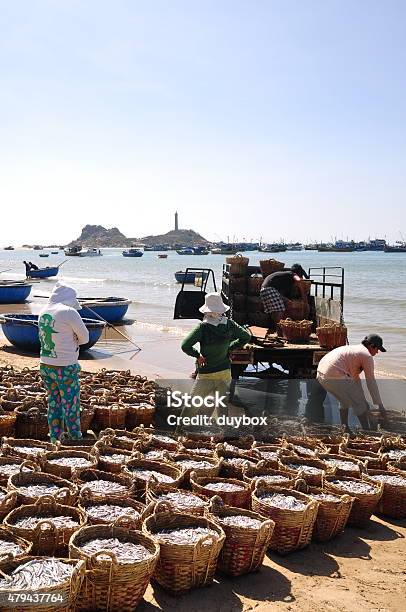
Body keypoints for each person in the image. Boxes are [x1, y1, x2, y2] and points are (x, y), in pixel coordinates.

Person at [181, 292, 251, 419]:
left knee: (193, 404)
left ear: (206, 311)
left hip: (207, 372)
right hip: (225, 371)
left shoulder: (202, 327)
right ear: (221, 309)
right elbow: (246, 337)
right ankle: (222, 433)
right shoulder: (229, 324)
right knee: (222, 404)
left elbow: (185, 345)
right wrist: (230, 347)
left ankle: (179, 431)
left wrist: (197, 355)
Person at [38, 282, 89, 443]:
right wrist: (73, 338)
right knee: (71, 404)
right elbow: (85, 338)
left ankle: (55, 438)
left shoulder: (43, 311)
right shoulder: (69, 312)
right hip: (65, 366)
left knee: (54, 403)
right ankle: (75, 438)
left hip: (45, 364)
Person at [316, 334, 389, 432]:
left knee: (345, 399)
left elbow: (355, 380)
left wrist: (362, 397)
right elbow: (371, 383)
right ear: (371, 346)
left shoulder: (354, 350)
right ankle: (367, 431)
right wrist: (380, 405)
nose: (377, 353)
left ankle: (345, 428)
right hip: (335, 374)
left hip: (321, 374)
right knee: (360, 404)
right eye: (377, 350)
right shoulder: (366, 356)